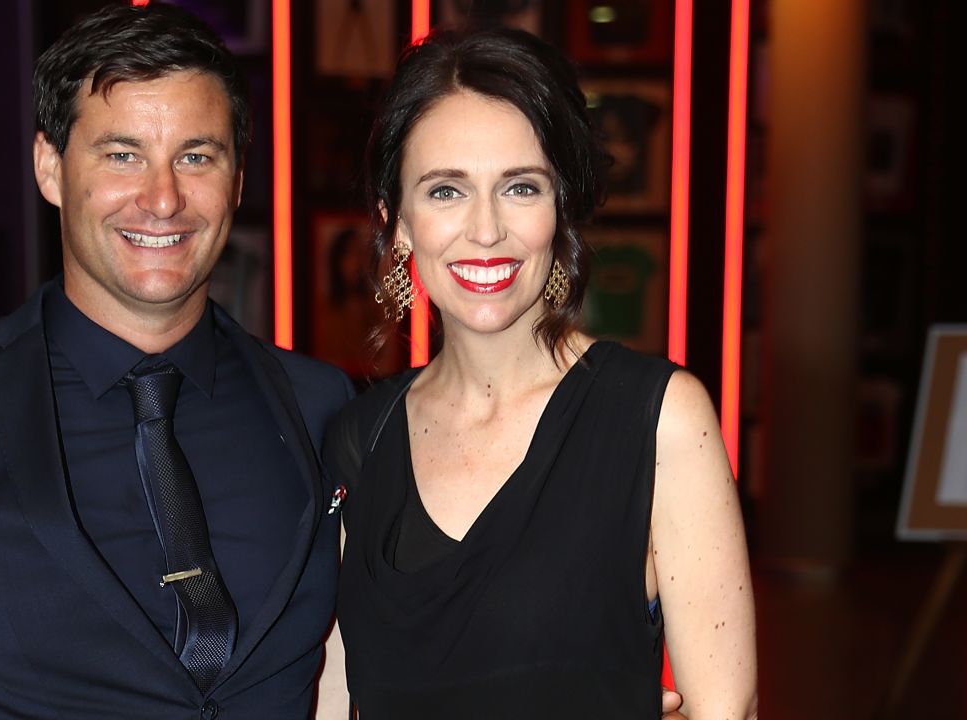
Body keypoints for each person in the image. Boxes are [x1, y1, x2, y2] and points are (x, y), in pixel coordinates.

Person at [0, 4, 354, 718]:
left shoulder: (323, 406)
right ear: (50, 168)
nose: (162, 199)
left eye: (196, 156)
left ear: (238, 179)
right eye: (122, 154)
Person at [323, 26, 758, 718]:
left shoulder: (657, 419)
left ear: (560, 210)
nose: (486, 230)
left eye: (520, 188)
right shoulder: (359, 439)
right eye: (445, 192)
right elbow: (337, 695)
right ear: (396, 220)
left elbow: (724, 710)